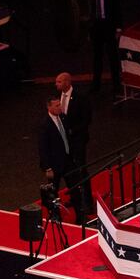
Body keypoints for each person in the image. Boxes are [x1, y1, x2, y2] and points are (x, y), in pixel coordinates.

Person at [53, 72, 91, 217]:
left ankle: (87, 202)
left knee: (81, 170)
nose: (56, 84)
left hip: (77, 140)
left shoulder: (81, 98)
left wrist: (71, 131)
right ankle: (76, 198)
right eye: (56, 82)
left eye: (59, 82)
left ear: (67, 82)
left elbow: (86, 120)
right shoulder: (57, 97)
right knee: (70, 171)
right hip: (64, 141)